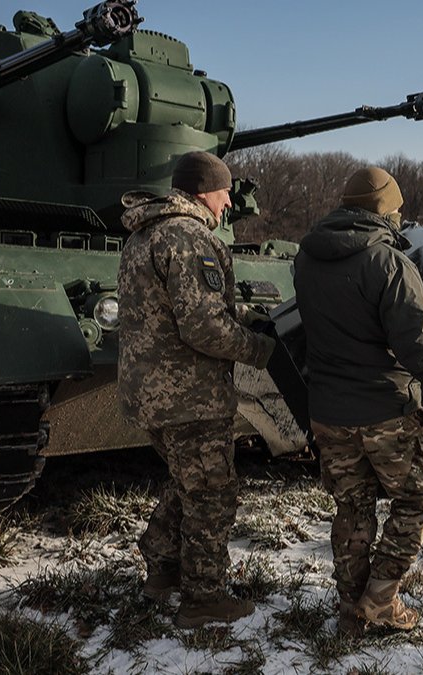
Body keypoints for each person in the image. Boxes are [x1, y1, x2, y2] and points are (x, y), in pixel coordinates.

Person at [293, 167, 423, 638]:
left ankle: (352, 607)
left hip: (327, 411)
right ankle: (380, 600)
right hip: (386, 411)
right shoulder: (387, 263)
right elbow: (421, 347)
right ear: (386, 209)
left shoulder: (306, 256)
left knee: (352, 506)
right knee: (418, 498)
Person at [117, 150, 276, 629]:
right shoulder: (189, 237)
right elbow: (204, 327)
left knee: (188, 480)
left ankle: (163, 565)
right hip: (189, 395)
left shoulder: (143, 234)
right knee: (212, 493)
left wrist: (245, 319)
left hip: (152, 392)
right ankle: (204, 599)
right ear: (205, 190)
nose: (229, 202)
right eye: (225, 191)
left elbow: (176, 310)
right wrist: (260, 350)